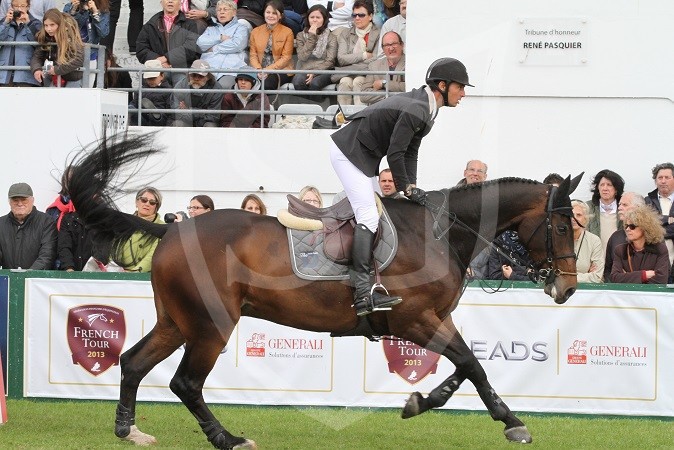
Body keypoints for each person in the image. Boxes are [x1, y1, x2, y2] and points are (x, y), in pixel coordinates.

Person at [329, 57, 472, 315]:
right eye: (460, 87)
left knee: (378, 214)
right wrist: (406, 187)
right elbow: (395, 153)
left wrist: (412, 186)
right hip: (349, 152)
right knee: (369, 217)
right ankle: (363, 295)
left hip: (363, 154)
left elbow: (410, 151)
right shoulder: (418, 106)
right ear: (442, 84)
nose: (463, 94)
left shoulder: (428, 106)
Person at [135, 0, 199, 86]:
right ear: (161, 2)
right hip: (157, 69)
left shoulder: (190, 24)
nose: (170, 1)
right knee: (148, 84)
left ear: (180, 2)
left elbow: (190, 48)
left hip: (180, 69)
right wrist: (159, 60)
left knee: (181, 85)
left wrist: (167, 58)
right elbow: (141, 49)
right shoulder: (151, 24)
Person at [0, 182, 56, 270]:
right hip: (8, 281)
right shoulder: (1, 224)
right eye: (15, 200)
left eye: (24, 199)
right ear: (9, 202)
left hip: (36, 280)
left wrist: (28, 275)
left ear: (32, 200)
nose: (19, 203)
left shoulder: (46, 222)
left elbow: (47, 254)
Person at [334, 0, 380, 105]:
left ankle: (360, 118)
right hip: (348, 74)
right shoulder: (345, 33)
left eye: (361, 15)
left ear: (370, 16)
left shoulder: (378, 33)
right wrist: (364, 55)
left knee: (358, 81)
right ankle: (344, 117)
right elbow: (341, 59)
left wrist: (351, 64)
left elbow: (376, 59)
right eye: (354, 15)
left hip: (368, 74)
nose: (357, 18)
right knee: (344, 82)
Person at [610, 204, 670, 284]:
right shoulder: (620, 250)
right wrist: (644, 275)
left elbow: (661, 279)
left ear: (645, 227)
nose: (628, 229)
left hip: (651, 295)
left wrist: (627, 276)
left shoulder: (659, 249)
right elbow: (614, 278)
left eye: (632, 226)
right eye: (626, 226)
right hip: (628, 295)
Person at [196, 0, 249, 88]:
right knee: (199, 86)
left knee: (222, 87)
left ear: (234, 12)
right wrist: (220, 38)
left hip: (230, 69)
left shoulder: (241, 28)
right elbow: (200, 43)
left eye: (225, 9)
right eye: (219, 10)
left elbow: (237, 45)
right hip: (208, 67)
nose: (222, 12)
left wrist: (213, 48)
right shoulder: (211, 29)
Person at [114, 187, 164, 272]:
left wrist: (134, 273)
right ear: (137, 202)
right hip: (121, 277)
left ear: (156, 207)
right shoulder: (124, 223)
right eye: (144, 200)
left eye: (152, 202)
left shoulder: (162, 227)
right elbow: (114, 250)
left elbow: (153, 255)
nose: (147, 204)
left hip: (148, 279)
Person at [30, 9, 84, 87]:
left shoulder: (72, 37)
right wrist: (36, 69)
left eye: (52, 25)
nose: (49, 29)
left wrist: (57, 70)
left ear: (60, 24)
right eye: (46, 25)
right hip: (52, 77)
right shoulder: (45, 38)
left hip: (72, 78)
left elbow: (78, 60)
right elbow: (37, 56)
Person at [248, 0, 294, 92]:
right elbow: (253, 55)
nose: (270, 16)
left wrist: (267, 70)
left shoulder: (288, 32)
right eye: (268, 12)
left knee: (266, 85)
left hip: (281, 70)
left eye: (274, 13)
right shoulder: (255, 31)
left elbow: (286, 58)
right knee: (244, 83)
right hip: (259, 70)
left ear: (280, 15)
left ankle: (262, 106)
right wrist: (258, 69)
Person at [62, 0, 109, 87]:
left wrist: (95, 12)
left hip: (91, 55)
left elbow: (103, 33)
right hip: (72, 55)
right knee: (71, 89)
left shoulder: (102, 9)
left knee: (87, 89)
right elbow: (65, 29)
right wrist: (75, 11)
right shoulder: (69, 7)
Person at [292, 4, 337, 93]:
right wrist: (311, 37)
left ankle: (317, 106)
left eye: (318, 17)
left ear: (324, 19)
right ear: (308, 19)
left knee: (315, 84)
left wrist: (315, 72)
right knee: (298, 82)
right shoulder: (300, 35)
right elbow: (302, 57)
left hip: (324, 70)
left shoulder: (331, 37)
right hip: (305, 69)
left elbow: (330, 61)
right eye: (312, 17)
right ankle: (304, 105)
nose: (314, 20)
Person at [603, 191, 645, 282]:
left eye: (625, 205)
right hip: (618, 293)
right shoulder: (615, 237)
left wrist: (626, 277)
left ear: (638, 208)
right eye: (620, 204)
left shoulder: (653, 236)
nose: (620, 208)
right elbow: (607, 270)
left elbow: (661, 272)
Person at [170, 59, 223, 127]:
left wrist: (188, 110)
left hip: (204, 123)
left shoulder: (216, 89)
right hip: (185, 121)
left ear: (208, 77)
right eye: (194, 75)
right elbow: (175, 112)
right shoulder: (181, 85)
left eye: (201, 76)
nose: (196, 79)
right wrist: (203, 112)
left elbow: (213, 117)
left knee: (210, 126)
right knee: (177, 124)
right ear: (189, 75)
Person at [0, 0, 42, 86]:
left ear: (28, 7)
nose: (19, 9)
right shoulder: (4, 22)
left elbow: (40, 40)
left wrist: (28, 23)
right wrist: (5, 23)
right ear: (11, 7)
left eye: (22, 6)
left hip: (26, 74)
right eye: (16, 6)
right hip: (4, 74)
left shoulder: (35, 23)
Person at [360, 30, 404, 105]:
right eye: (387, 45)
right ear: (383, 49)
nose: (391, 48)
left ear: (402, 45)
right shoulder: (374, 66)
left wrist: (383, 84)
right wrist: (391, 95)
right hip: (382, 111)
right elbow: (364, 95)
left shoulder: (410, 63)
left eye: (394, 44)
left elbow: (409, 87)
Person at [585, 169, 624, 252]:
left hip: (619, 260)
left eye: (609, 185)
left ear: (616, 189)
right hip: (595, 259)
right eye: (602, 185)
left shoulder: (624, 209)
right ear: (597, 188)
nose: (605, 188)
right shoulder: (587, 208)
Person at [644, 162, 674, 265]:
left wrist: (657, 225)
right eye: (660, 178)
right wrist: (667, 220)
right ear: (655, 181)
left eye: (667, 177)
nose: (663, 181)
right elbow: (646, 227)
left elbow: (653, 227)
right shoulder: (647, 202)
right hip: (654, 260)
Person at [130, 59, 172, 126]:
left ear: (162, 76)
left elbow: (170, 112)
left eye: (153, 78)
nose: (150, 81)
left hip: (161, 121)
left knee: (159, 116)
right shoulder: (140, 90)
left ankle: (156, 115)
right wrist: (132, 107)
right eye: (148, 78)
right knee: (132, 111)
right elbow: (135, 103)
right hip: (142, 118)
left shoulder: (168, 91)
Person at [570, 200, 604, 283]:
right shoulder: (556, 239)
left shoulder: (594, 241)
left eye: (579, 215)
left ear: (585, 219)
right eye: (571, 215)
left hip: (587, 292)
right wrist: (586, 275)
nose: (574, 219)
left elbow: (596, 276)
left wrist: (566, 277)